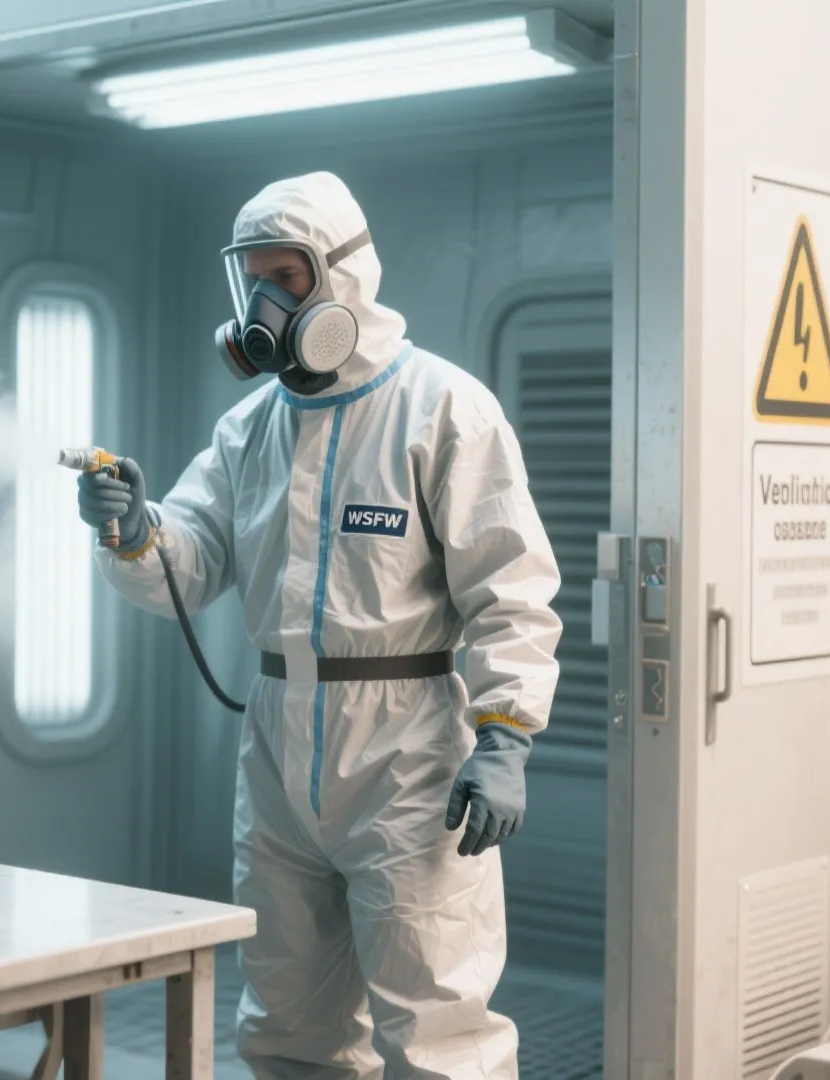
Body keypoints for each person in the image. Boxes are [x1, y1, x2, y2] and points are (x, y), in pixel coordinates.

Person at [78, 172, 562, 1080]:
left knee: (439, 1027)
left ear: (344, 275)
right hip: (278, 743)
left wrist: (506, 735)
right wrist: (136, 532)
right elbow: (191, 564)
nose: (265, 303)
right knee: (287, 1022)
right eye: (254, 279)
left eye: (287, 278)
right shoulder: (248, 428)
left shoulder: (441, 408)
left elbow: (511, 585)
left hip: (406, 754)